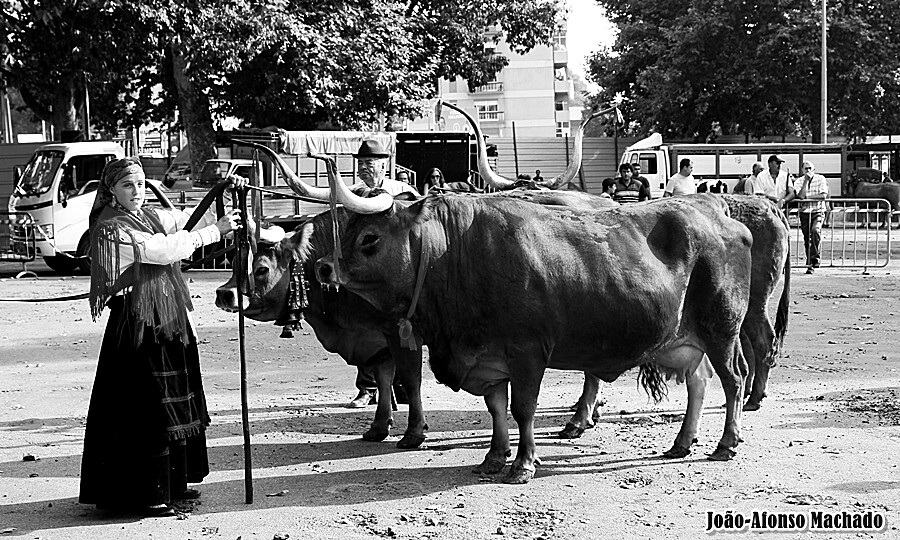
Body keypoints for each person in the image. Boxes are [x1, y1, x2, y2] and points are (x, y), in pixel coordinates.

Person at [79, 157, 244, 517]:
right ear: (111, 191)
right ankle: (145, 495)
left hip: (167, 318)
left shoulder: (150, 216)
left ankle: (173, 485)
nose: (137, 191)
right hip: (136, 325)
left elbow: (184, 221)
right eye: (127, 185)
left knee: (174, 399)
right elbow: (163, 250)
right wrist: (216, 230)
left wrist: (224, 193)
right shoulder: (112, 229)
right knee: (148, 407)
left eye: (140, 184)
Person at [348, 140, 418, 407]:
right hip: (366, 271)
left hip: (398, 272)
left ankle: (400, 386)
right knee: (369, 328)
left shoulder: (402, 191)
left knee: (402, 328)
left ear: (384, 165)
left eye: (369, 163)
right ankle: (367, 388)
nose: (364, 168)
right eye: (361, 163)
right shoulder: (353, 192)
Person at [796, 160, 829, 274]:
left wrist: (807, 198)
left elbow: (823, 195)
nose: (808, 171)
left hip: (817, 211)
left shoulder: (821, 179)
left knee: (815, 231)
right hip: (805, 213)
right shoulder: (799, 181)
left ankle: (814, 259)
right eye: (806, 168)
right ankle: (811, 262)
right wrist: (806, 181)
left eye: (810, 168)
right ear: (802, 170)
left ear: (814, 170)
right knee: (807, 238)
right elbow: (800, 196)